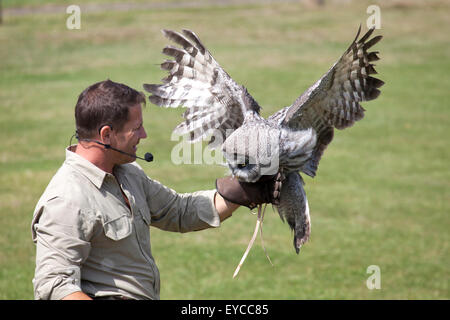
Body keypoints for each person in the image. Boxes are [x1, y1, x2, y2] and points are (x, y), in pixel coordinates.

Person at [31, 79, 279, 300]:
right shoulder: (66, 200)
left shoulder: (128, 174)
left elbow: (179, 211)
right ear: (106, 134)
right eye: (136, 128)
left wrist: (246, 188)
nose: (144, 134)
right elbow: (54, 285)